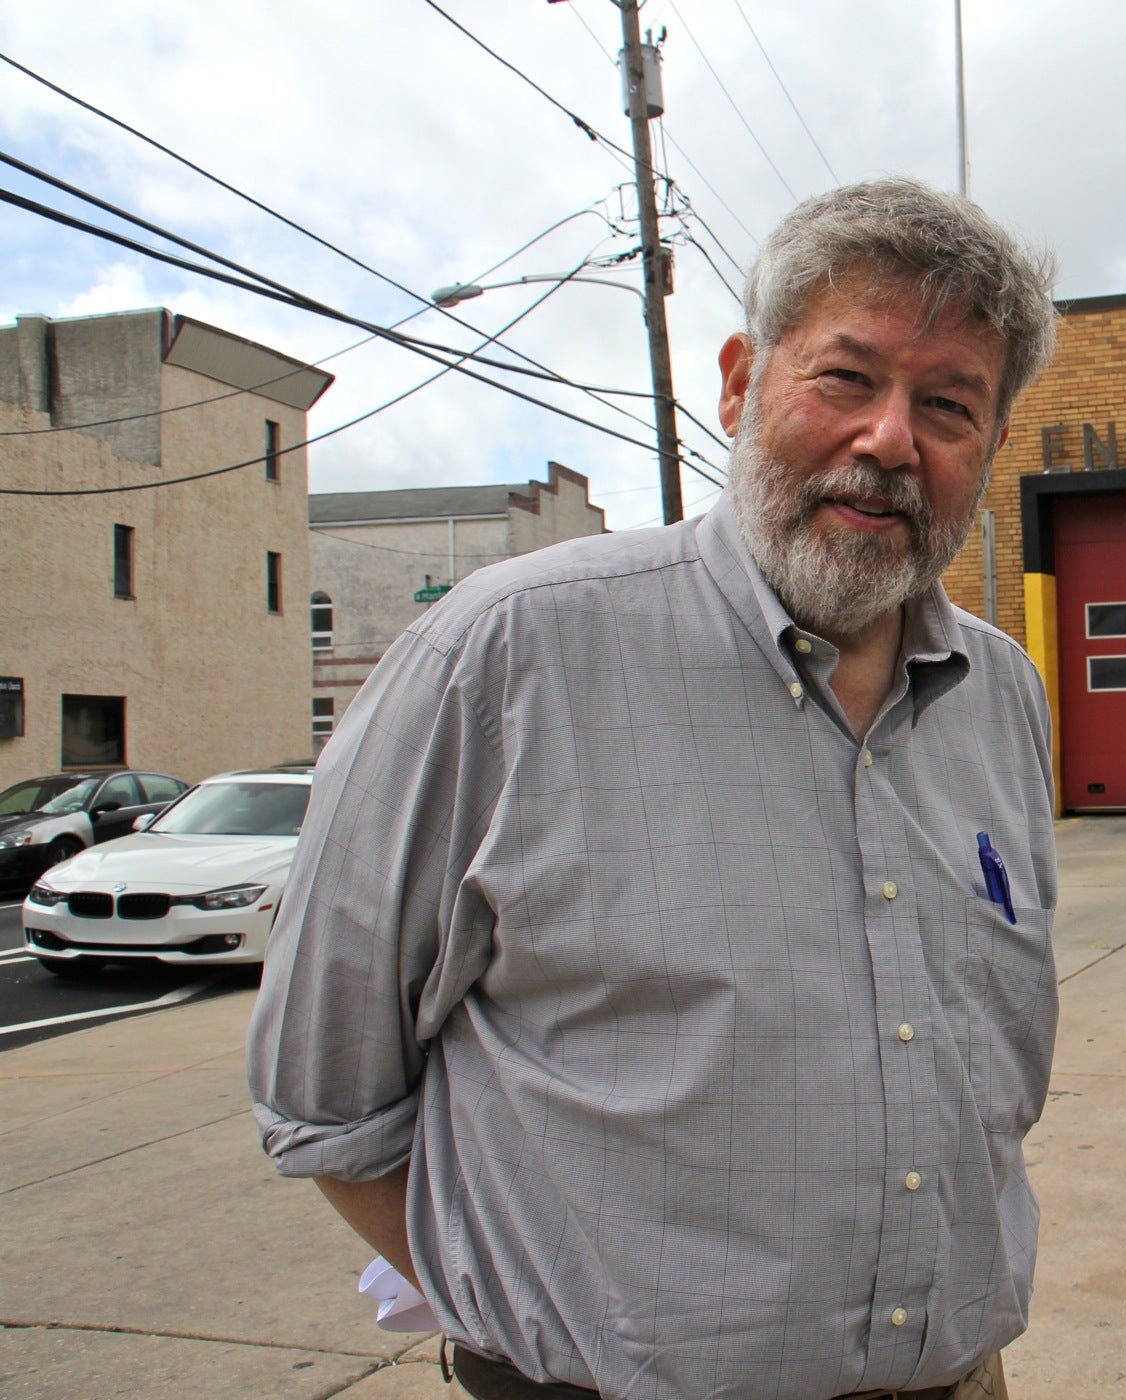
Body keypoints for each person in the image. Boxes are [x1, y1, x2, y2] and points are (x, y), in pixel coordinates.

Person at [248, 178, 1062, 1400]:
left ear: (988, 451)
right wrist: (547, 1331)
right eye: (846, 378)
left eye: (948, 405)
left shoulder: (1002, 694)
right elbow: (324, 1091)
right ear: (739, 382)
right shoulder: (507, 653)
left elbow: (986, 1079)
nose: (891, 438)